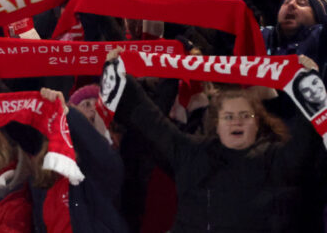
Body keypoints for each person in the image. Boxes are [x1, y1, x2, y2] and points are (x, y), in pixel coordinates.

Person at [105, 47, 321, 231]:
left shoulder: (276, 160)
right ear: (216, 125)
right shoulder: (191, 151)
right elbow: (150, 120)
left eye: (245, 116)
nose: (236, 122)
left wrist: (310, 82)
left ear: (258, 124)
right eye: (228, 117)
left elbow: (307, 134)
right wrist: (120, 74)